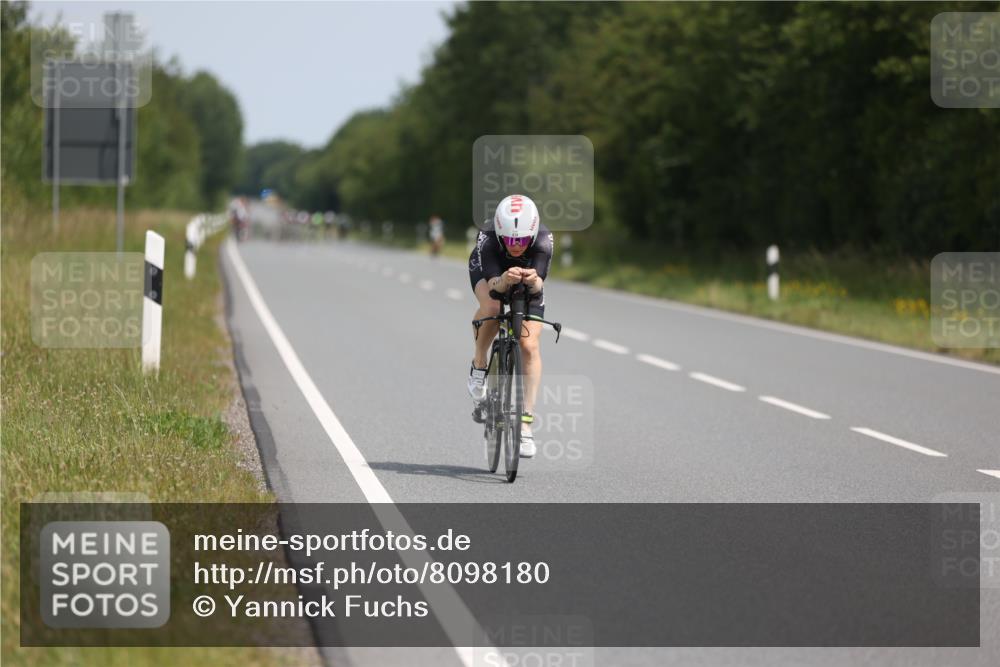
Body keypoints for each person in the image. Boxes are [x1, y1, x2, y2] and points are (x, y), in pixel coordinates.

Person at [467, 194, 554, 458]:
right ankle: (479, 364)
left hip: (528, 275)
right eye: (511, 240)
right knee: (492, 309)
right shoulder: (489, 236)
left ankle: (525, 425)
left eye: (522, 241)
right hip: (491, 272)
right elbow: (493, 286)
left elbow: (539, 285)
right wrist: (503, 280)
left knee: (528, 344)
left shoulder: (542, 239)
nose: (516, 246)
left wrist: (532, 279)